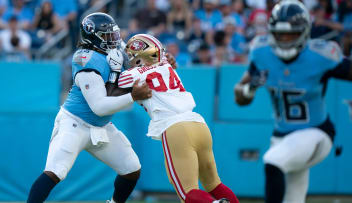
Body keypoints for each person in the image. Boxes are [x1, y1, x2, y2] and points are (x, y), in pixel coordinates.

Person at [234, 1, 352, 203]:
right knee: (293, 199)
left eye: (291, 34)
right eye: (280, 34)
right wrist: (248, 90)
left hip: (316, 133)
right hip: (281, 137)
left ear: (304, 32)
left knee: (272, 161)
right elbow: (239, 94)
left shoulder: (320, 55)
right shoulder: (262, 53)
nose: (285, 40)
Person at [26, 12, 151, 203]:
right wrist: (132, 96)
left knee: (131, 169)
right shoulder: (86, 58)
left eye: (114, 34)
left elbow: (140, 64)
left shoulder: (115, 50)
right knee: (55, 172)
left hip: (101, 127)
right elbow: (99, 107)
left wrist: (163, 64)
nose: (114, 39)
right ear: (93, 36)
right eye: (108, 36)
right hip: (74, 123)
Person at [111, 34, 239, 203]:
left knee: (187, 193)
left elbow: (119, 80)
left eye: (131, 56)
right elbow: (163, 60)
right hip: (198, 123)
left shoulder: (134, 73)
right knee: (214, 184)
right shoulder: (165, 64)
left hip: (175, 128)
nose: (129, 60)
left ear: (139, 56)